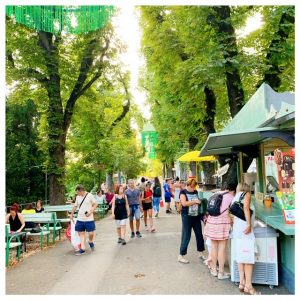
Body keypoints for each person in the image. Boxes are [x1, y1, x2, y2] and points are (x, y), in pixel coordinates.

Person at [231, 182, 261, 295]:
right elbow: (246, 208)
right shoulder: (246, 194)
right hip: (245, 229)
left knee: (241, 255)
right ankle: (249, 286)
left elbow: (232, 215)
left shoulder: (235, 197)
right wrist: (249, 224)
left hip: (237, 229)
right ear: (247, 188)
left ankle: (242, 282)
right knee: (248, 256)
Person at [204, 182, 236, 279]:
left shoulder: (215, 194)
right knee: (222, 248)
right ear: (232, 190)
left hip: (211, 221)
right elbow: (234, 212)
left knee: (214, 247)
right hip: (222, 223)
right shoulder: (231, 196)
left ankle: (214, 270)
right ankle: (221, 273)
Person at [178, 178, 206, 264]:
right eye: (192, 187)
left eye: (194, 187)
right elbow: (184, 203)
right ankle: (181, 255)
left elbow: (198, 201)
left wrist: (200, 202)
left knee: (199, 235)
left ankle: (200, 253)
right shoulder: (183, 192)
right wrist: (194, 201)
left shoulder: (195, 192)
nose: (194, 189)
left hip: (196, 216)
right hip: (187, 216)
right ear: (188, 185)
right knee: (186, 236)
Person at [70, 184, 98, 256]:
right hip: (80, 218)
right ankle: (82, 248)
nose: (77, 194)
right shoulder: (78, 197)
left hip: (89, 218)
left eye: (78, 192)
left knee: (91, 233)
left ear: (81, 190)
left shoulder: (90, 195)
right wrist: (71, 214)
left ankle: (90, 241)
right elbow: (75, 206)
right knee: (81, 233)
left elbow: (95, 204)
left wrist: (90, 211)